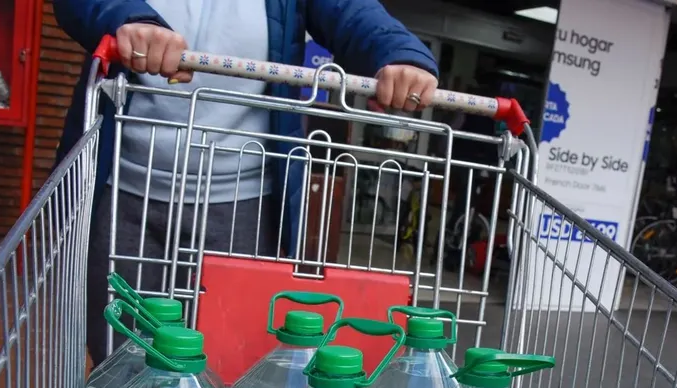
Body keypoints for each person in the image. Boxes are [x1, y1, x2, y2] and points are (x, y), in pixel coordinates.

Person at [52, 0, 439, 365]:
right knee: (121, 361)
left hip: (244, 205)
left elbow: (353, 13)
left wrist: (403, 56)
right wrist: (128, 19)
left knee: (229, 366)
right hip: (121, 190)